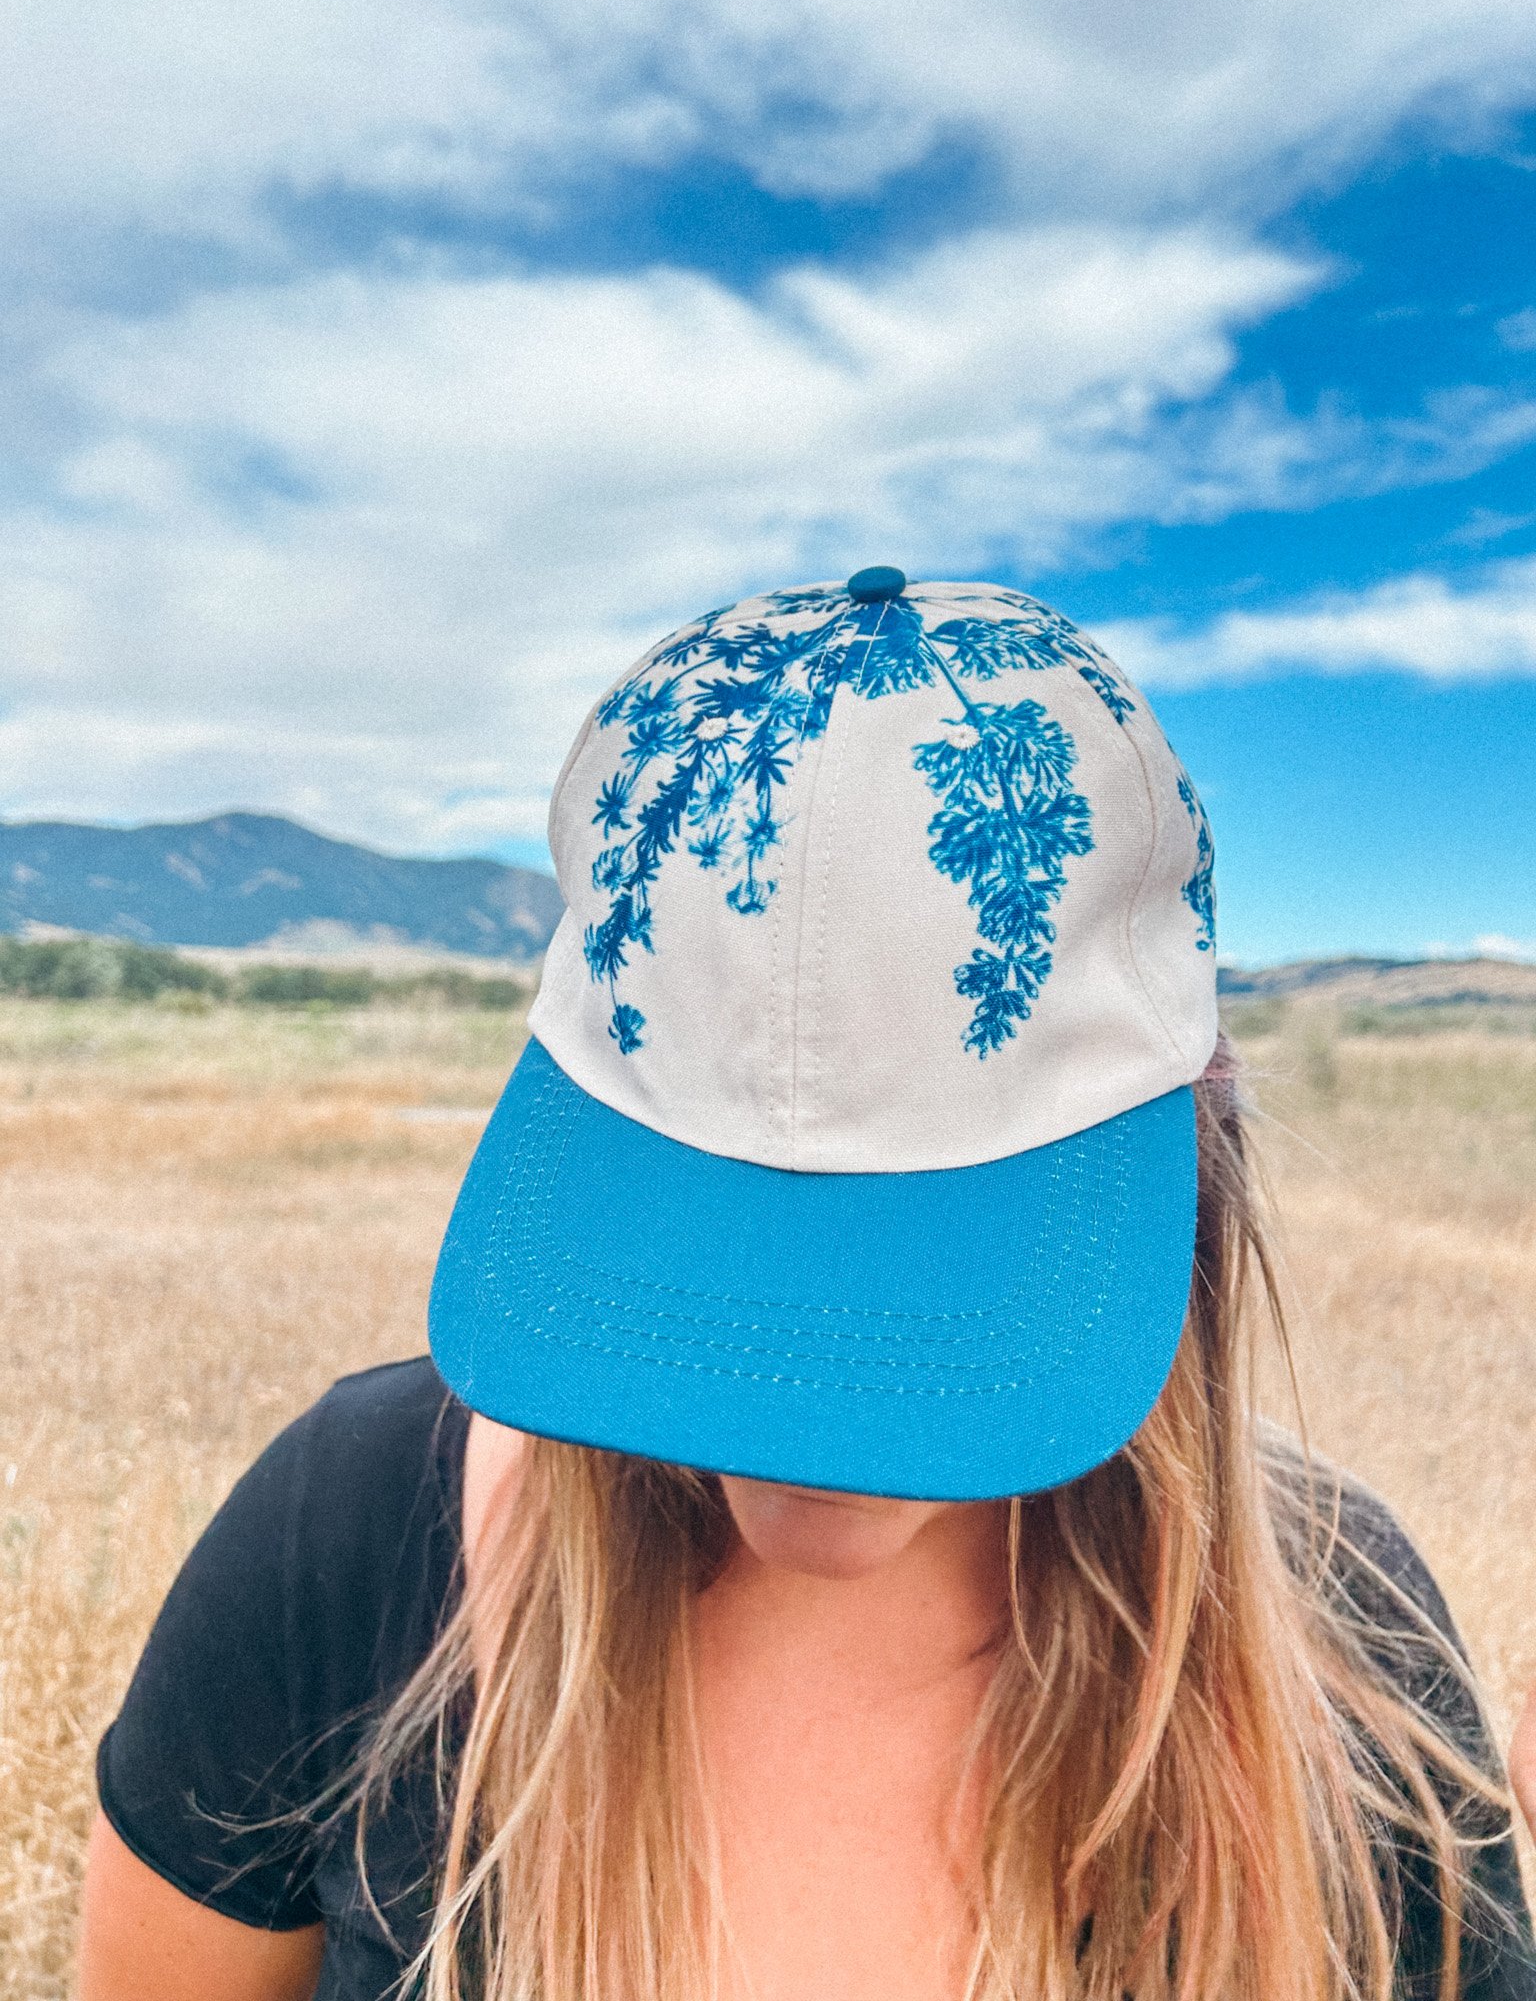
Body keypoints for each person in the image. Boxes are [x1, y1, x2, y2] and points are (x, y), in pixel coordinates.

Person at [78, 572, 1536, 2001]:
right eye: (708, 1230)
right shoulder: (343, 1541)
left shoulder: (1350, 1640)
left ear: (1190, 1152)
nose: (808, 1422)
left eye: (939, 1246)